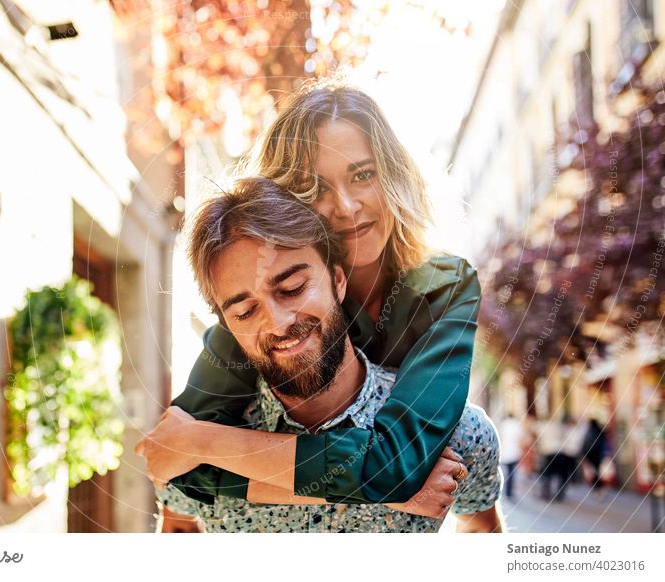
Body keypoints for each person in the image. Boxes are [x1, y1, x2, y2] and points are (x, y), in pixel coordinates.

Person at [138, 80, 482, 509]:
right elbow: (180, 467)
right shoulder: (261, 307)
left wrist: (204, 440)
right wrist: (383, 493)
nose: (345, 206)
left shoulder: (446, 288)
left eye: (363, 174)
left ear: (392, 174)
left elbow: (395, 465)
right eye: (315, 187)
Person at [138, 178, 503, 532]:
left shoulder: (458, 437)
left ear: (339, 280)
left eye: (293, 288)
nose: (278, 324)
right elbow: (178, 526)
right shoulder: (185, 442)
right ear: (227, 329)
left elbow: (481, 532)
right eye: (245, 312)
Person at [498, 412, 524, 500]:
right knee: (512, 472)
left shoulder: (503, 425)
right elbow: (520, 439)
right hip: (514, 451)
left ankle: (506, 491)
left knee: (507, 472)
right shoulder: (517, 425)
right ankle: (509, 492)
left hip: (506, 451)